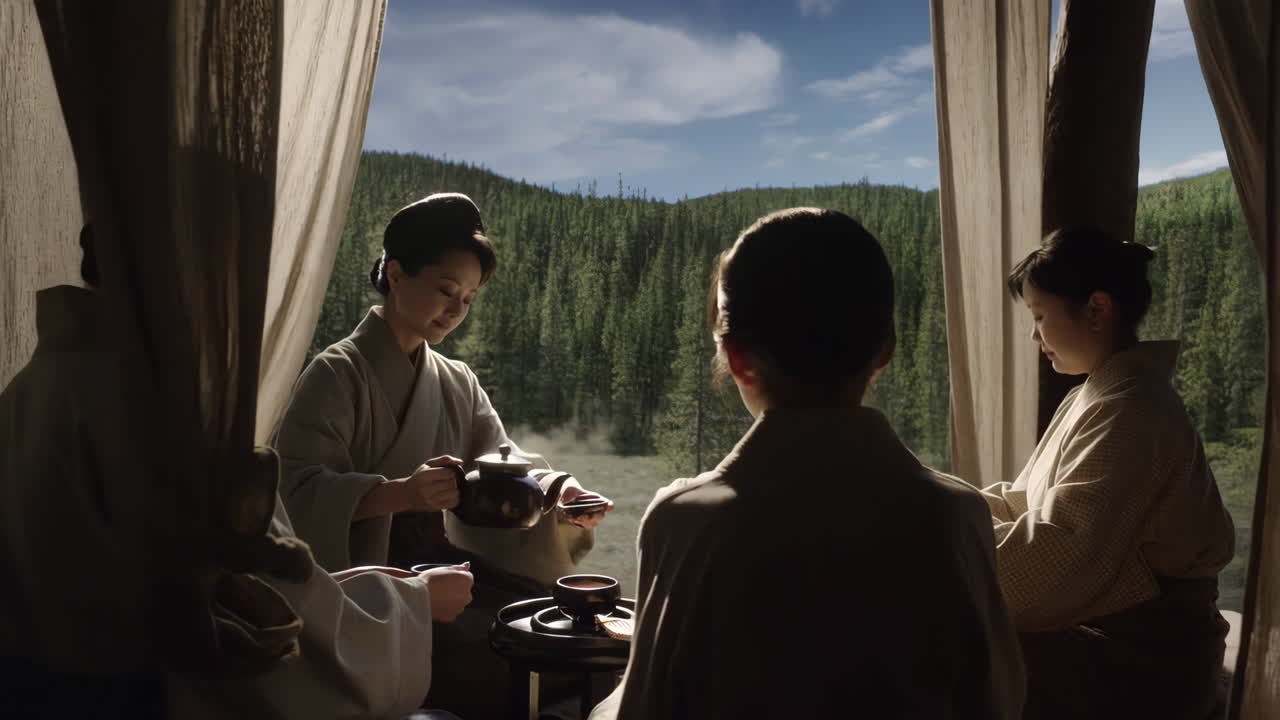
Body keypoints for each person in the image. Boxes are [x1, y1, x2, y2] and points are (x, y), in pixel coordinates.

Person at [0, 225, 474, 719]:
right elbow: (273, 627)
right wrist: (414, 602)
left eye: (469, 297)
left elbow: (235, 576)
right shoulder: (164, 417)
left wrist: (352, 583)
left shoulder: (32, 390)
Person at [591, 208, 1025, 719]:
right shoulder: (957, 515)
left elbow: (646, 710)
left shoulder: (687, 521)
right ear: (884, 349)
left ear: (736, 358)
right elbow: (997, 700)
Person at [273, 192, 611, 716]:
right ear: (397, 274)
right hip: (370, 588)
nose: (457, 309)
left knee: (554, 629)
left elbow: (502, 459)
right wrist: (397, 494)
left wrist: (560, 491)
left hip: (445, 565)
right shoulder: (335, 373)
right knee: (499, 655)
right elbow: (292, 493)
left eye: (470, 299)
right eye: (447, 290)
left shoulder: (456, 379)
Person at [984, 226, 1236, 719]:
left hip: (1143, 660)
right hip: (1120, 640)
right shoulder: (1096, 395)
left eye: (1039, 317)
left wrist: (948, 534)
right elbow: (1027, 502)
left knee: (946, 656)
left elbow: (1060, 555)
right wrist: (946, 504)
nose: (1035, 336)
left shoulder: (1135, 408)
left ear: (1097, 309)